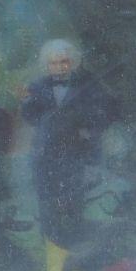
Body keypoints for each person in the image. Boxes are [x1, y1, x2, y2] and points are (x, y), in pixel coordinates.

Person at [20, 38, 117, 248]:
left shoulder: (88, 83)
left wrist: (89, 130)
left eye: (63, 62)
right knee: (47, 203)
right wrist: (26, 101)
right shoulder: (37, 86)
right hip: (46, 154)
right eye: (53, 63)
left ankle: (74, 246)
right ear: (46, 65)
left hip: (77, 152)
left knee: (74, 201)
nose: (59, 67)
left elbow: (107, 110)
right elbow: (31, 117)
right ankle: (50, 246)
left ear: (72, 62)